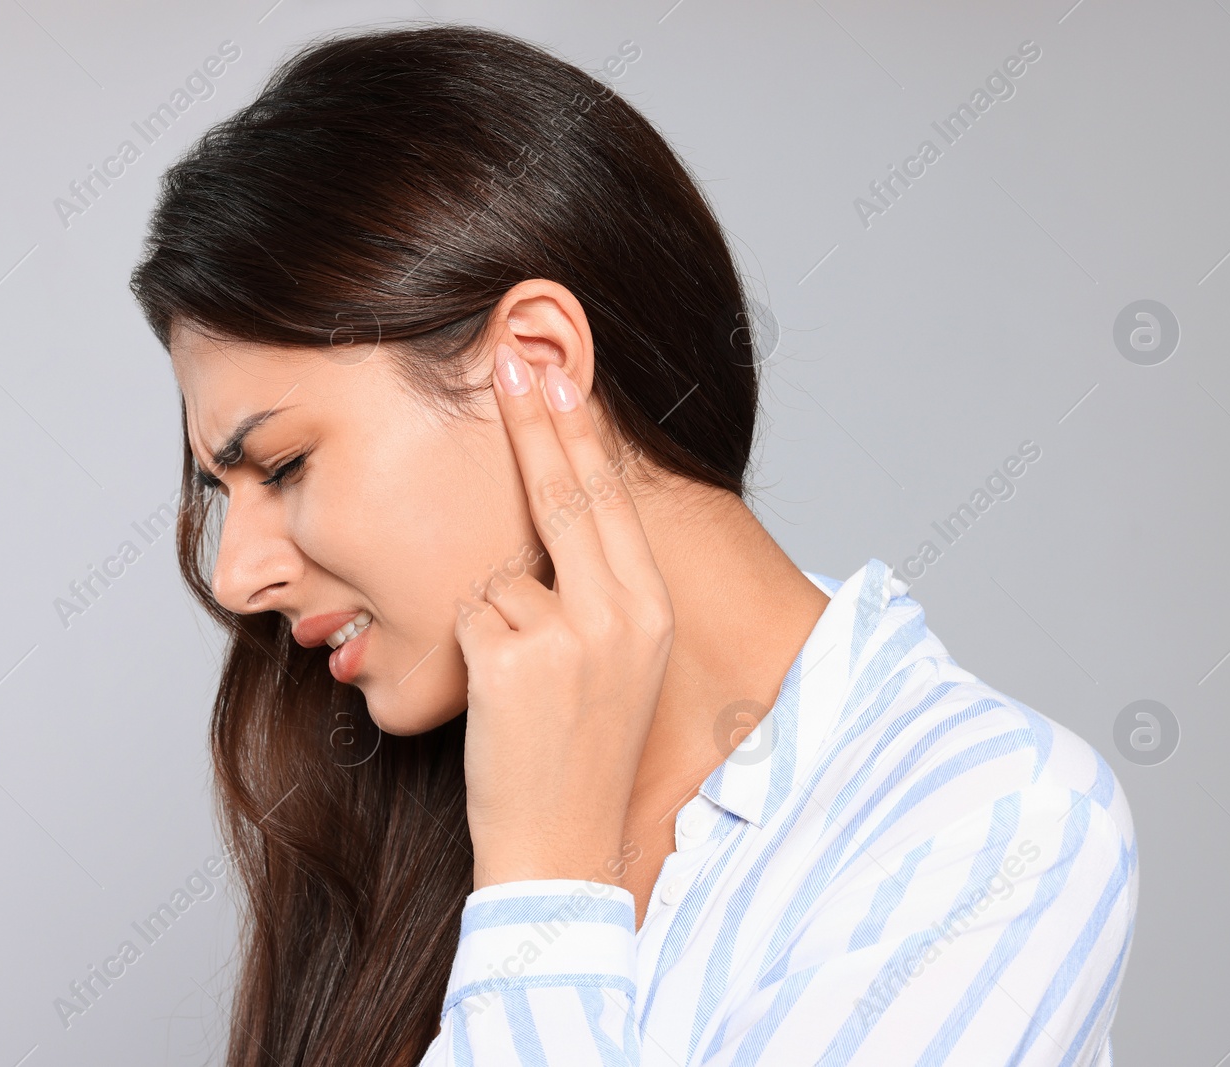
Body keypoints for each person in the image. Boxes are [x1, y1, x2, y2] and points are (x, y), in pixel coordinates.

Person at [129, 23, 1137, 1067]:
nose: (237, 573)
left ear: (535, 363)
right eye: (222, 489)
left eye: (284, 465)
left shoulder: (994, 829)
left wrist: (542, 883)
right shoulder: (404, 789)